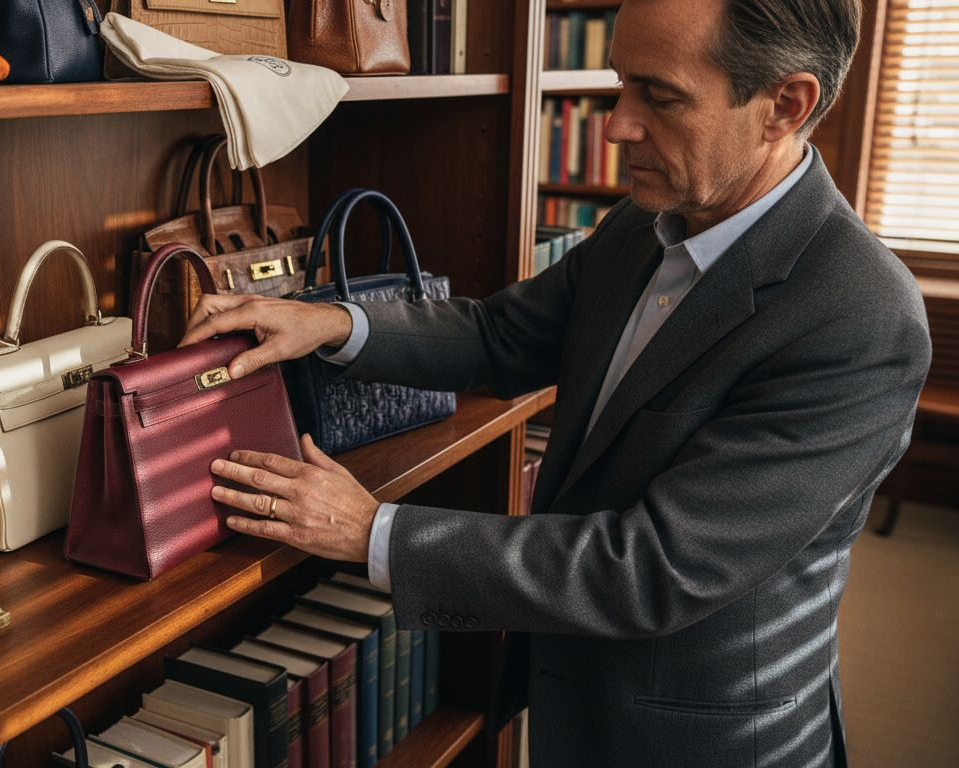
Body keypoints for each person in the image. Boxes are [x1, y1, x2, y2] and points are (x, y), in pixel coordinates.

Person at [179, 0, 931, 765]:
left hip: (702, 739)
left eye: (659, 96)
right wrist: (332, 324)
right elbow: (501, 336)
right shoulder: (640, 226)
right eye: (620, 85)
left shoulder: (861, 318)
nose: (617, 127)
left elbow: (654, 567)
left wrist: (372, 531)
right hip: (574, 695)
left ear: (786, 105)